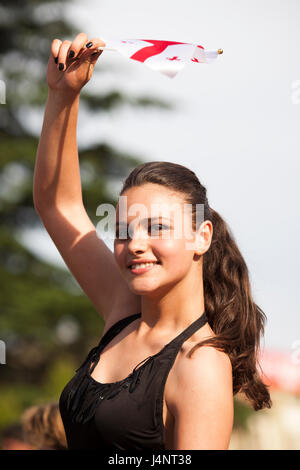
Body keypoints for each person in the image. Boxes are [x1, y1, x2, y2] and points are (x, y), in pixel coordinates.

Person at [33, 32, 272, 450]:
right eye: (123, 231)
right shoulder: (124, 312)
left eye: (156, 228)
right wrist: (63, 95)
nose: (135, 244)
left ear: (201, 237)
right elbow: (57, 204)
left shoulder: (200, 365)